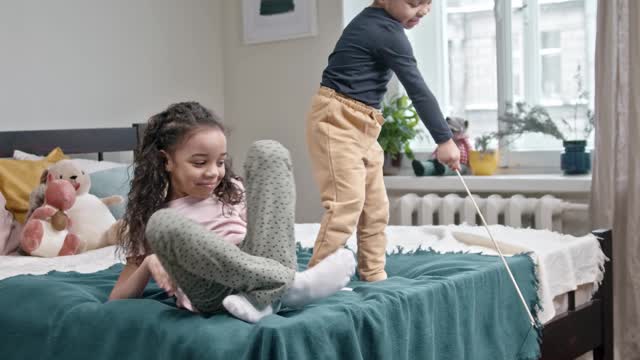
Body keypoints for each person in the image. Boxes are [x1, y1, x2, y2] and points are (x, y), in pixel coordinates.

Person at [109, 102, 356, 323]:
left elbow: (267, 237)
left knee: (268, 151)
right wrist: (150, 262)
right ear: (166, 161)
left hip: (258, 266)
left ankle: (265, 297)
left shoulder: (232, 191)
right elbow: (117, 299)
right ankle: (291, 286)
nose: (214, 173)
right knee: (160, 224)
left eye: (220, 162)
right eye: (199, 163)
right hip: (215, 293)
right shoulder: (154, 215)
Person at [306, 0, 461, 282]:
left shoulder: (386, 26)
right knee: (346, 204)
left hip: (365, 124)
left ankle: (373, 272)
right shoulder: (384, 32)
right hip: (337, 121)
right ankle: (317, 279)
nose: (423, 10)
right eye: (414, 2)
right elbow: (417, 89)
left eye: (428, 2)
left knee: (376, 208)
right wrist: (444, 139)